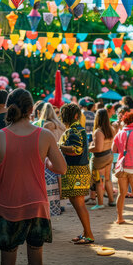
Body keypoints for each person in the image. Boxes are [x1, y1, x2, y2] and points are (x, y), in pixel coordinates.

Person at [0, 89, 67, 265]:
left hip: (8, 207)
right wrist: (47, 162)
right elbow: (61, 168)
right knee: (36, 263)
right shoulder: (45, 135)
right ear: (30, 110)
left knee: (7, 263)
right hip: (37, 206)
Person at [58, 103, 95, 244]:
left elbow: (76, 150)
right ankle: (86, 232)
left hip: (77, 171)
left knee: (79, 203)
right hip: (76, 170)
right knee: (76, 202)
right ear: (76, 116)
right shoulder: (77, 130)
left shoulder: (74, 131)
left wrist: (58, 146)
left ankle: (89, 235)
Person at [38, 103, 67, 216]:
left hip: (50, 153)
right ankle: (62, 202)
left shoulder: (46, 125)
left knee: (51, 181)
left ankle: (54, 204)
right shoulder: (60, 125)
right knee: (60, 178)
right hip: (61, 152)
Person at [89, 109, 116, 210]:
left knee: (99, 181)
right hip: (109, 155)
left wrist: (88, 148)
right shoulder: (111, 128)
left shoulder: (99, 131)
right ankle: (111, 200)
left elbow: (98, 148)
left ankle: (100, 203)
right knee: (107, 179)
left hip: (100, 158)